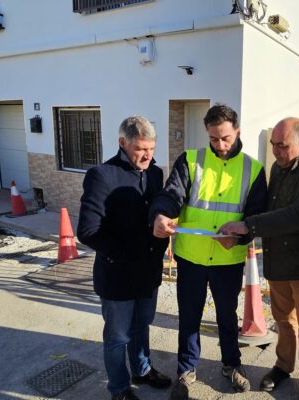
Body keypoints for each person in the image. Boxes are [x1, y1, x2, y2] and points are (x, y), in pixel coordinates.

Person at [149, 104, 267, 400]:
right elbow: (172, 194)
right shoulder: (190, 160)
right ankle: (186, 372)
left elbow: (256, 215)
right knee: (189, 317)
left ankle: (232, 365)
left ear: (237, 131)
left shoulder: (253, 169)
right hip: (191, 258)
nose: (220, 145)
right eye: (214, 139)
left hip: (228, 260)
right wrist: (162, 214)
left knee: (227, 316)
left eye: (225, 138)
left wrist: (240, 239)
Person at [220, 117, 299, 400]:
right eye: (273, 144)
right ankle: (283, 367)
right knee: (284, 322)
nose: (275, 151)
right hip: (278, 262)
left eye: (282, 146)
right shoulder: (279, 167)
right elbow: (270, 209)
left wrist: (249, 226)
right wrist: (243, 233)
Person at [77, 116, 172, 400]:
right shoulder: (102, 175)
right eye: (141, 148)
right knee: (118, 337)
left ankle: (141, 371)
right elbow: (88, 230)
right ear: (122, 143)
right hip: (117, 275)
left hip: (148, 272)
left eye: (152, 149)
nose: (147, 155)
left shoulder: (155, 173)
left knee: (142, 325)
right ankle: (118, 388)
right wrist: (123, 255)